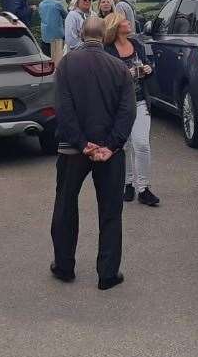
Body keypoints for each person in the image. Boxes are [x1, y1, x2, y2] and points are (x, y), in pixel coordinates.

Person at [49, 16, 135, 289]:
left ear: (82, 34)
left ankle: (64, 266)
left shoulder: (66, 65)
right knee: (110, 210)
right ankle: (107, 274)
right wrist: (111, 145)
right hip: (110, 152)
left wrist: (82, 143)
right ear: (103, 35)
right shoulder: (119, 68)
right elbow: (127, 112)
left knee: (65, 205)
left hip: (72, 151)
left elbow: (63, 109)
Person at [105, 12, 158, 207]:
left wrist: (148, 69)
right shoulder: (107, 50)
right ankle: (127, 184)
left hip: (140, 100)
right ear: (117, 27)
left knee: (142, 144)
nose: (129, 22)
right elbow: (106, 80)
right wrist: (124, 75)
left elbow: (149, 65)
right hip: (119, 106)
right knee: (124, 146)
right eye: (125, 21)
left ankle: (143, 188)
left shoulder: (137, 45)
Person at [38, 0, 67, 64]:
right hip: (57, 36)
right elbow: (66, 16)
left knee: (47, 60)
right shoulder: (57, 4)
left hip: (45, 36)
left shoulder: (41, 5)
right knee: (57, 61)